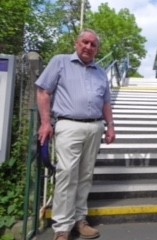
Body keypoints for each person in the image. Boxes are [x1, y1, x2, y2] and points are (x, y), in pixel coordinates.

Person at [36, 29, 116, 240]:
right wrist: (45, 123)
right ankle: (62, 227)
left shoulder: (100, 71)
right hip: (69, 125)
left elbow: (106, 101)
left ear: (97, 49)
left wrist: (111, 126)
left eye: (93, 45)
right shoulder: (60, 62)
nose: (88, 47)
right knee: (67, 174)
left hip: (95, 127)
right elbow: (43, 91)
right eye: (85, 42)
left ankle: (80, 220)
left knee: (85, 176)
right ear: (76, 43)